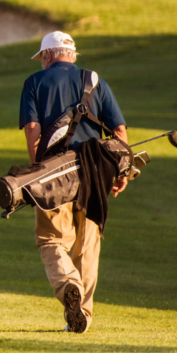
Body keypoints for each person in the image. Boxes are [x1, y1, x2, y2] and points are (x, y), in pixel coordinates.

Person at [19, 31, 129, 334]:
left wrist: (35, 169)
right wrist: (122, 172)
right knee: (87, 246)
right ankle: (82, 317)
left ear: (47, 55)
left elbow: (32, 129)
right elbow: (119, 131)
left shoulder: (34, 82)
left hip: (54, 174)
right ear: (72, 55)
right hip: (95, 172)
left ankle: (69, 286)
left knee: (51, 239)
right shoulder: (94, 80)